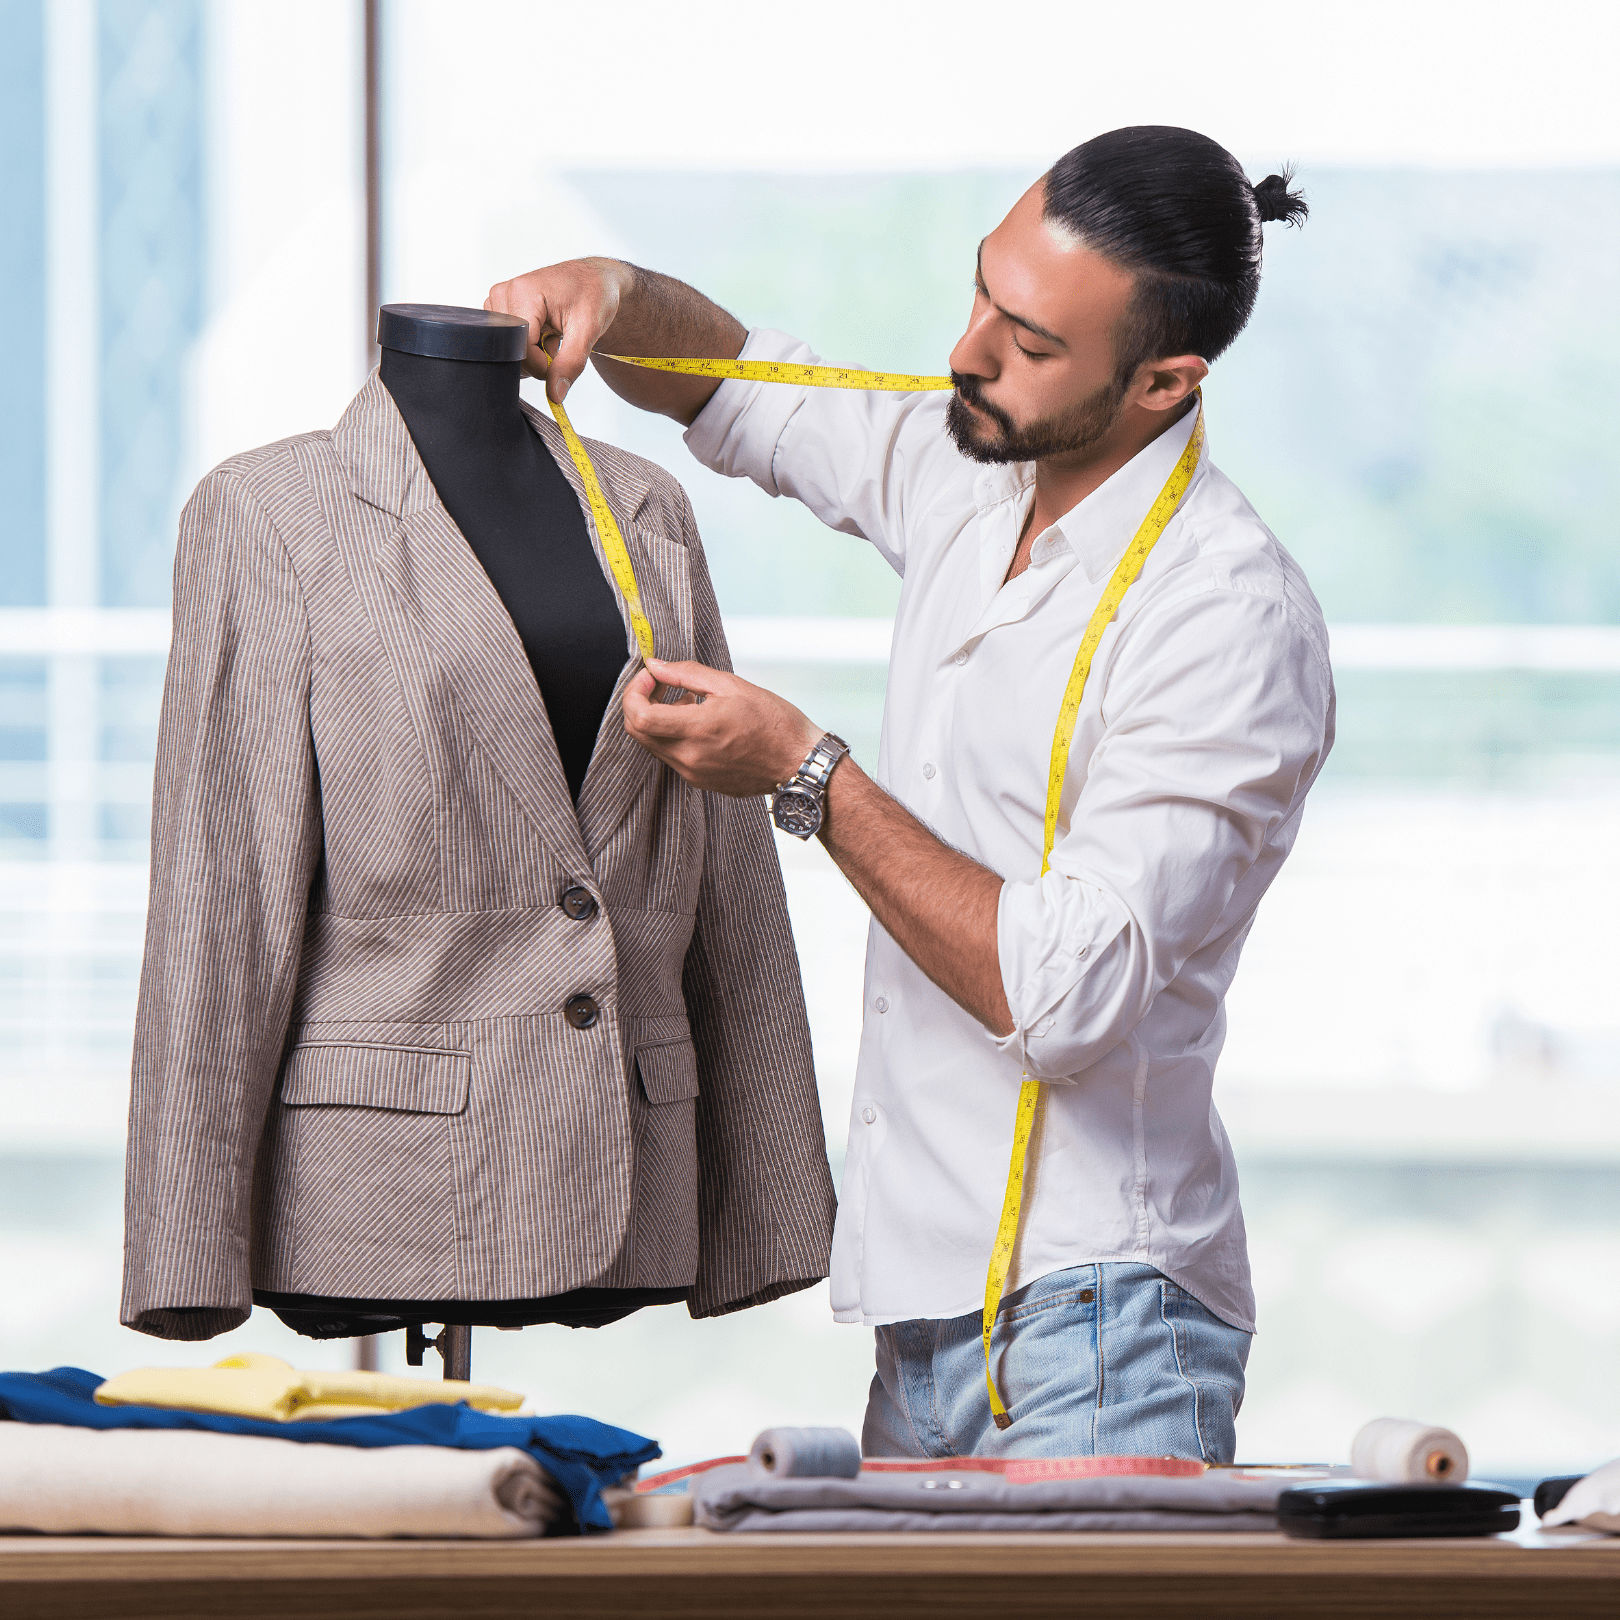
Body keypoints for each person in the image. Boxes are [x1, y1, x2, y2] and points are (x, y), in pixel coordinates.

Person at [487, 125, 1335, 1463]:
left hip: (1103, 1334)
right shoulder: (971, 464)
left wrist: (806, 774)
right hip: (920, 1331)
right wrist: (615, 293)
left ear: (1164, 384)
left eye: (1031, 341)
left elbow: (1061, 994)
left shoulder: (1225, 617)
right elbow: (733, 388)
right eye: (982, 295)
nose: (967, 355)